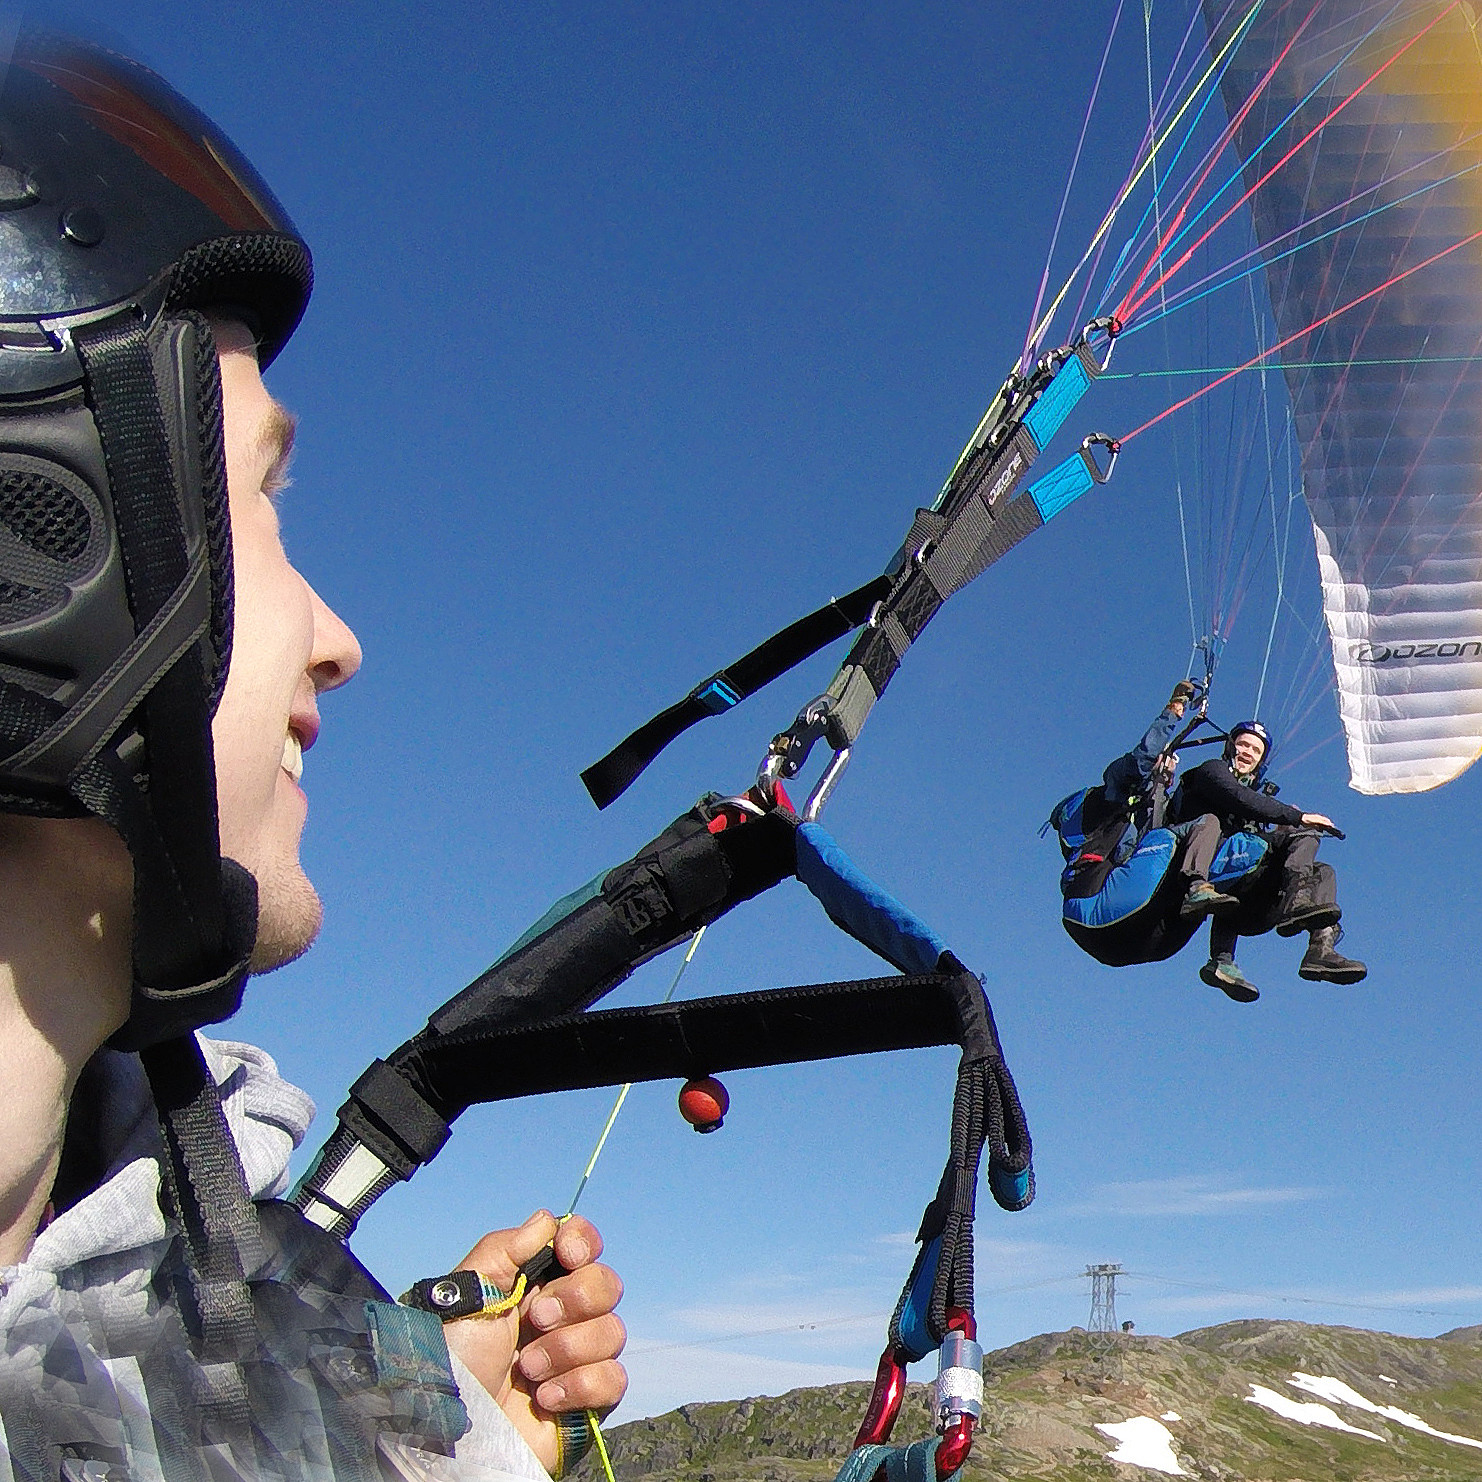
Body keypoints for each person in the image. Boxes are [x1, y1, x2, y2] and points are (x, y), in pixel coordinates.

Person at [0, 29, 623, 1481]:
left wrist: (440, 1420)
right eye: (263, 495)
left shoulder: (185, 1241)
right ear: (52, 548)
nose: (339, 638)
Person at [1169, 720, 1366, 1002]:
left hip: (1236, 873)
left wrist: (1285, 830)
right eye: (1243, 744)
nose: (1248, 752)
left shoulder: (1253, 804)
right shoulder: (1211, 772)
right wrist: (1296, 817)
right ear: (1230, 746)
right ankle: (1284, 911)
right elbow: (1240, 798)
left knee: (1322, 871)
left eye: (1256, 750)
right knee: (1299, 828)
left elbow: (1252, 811)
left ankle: (1319, 950)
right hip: (1197, 854)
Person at [1097, 680, 1237, 922]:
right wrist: (1174, 709)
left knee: (1208, 824)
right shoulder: (1121, 778)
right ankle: (1195, 887)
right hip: (1120, 860)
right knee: (1206, 822)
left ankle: (1198, 892)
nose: (1172, 765)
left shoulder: (1162, 802)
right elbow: (1145, 756)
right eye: (1169, 758)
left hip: (1151, 860)